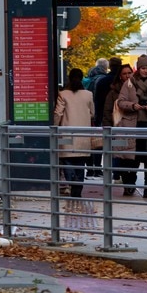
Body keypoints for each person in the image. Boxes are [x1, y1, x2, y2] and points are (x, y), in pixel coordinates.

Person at [116, 54, 147, 198]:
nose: (146, 71)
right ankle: (131, 183)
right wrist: (133, 106)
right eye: (143, 68)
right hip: (132, 126)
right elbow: (120, 102)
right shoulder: (129, 83)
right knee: (133, 158)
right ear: (138, 68)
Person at [53, 67, 95, 197]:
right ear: (82, 78)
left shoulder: (63, 94)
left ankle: (72, 182)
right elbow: (93, 113)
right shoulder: (88, 94)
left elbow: (58, 113)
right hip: (83, 134)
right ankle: (78, 188)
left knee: (67, 160)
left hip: (67, 133)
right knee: (80, 162)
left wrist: (54, 127)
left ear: (69, 79)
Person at [101, 63, 133, 187]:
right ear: (120, 76)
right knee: (119, 153)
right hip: (118, 127)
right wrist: (109, 127)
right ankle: (118, 175)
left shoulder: (138, 89)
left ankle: (129, 180)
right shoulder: (114, 92)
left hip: (133, 128)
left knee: (131, 157)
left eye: (129, 73)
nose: (127, 76)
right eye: (124, 74)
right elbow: (107, 110)